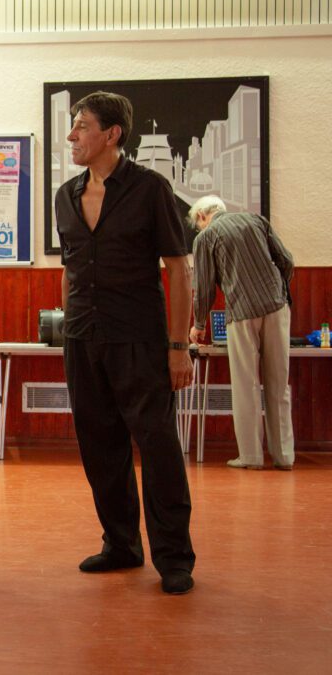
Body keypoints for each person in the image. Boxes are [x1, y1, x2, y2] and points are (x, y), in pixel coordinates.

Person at [55, 91, 197, 595]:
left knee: (158, 448)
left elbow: (179, 271)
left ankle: (175, 557)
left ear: (112, 134)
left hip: (139, 339)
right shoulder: (65, 196)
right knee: (100, 447)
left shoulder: (150, 189)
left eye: (82, 126)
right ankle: (121, 544)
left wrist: (178, 347)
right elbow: (72, 270)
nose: (72, 135)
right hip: (83, 339)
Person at [187, 195, 295, 470]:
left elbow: (204, 287)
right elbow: (286, 260)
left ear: (201, 216)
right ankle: (284, 456)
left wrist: (199, 325)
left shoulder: (206, 237)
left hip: (242, 313)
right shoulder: (256, 220)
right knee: (278, 384)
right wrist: (279, 293)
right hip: (276, 307)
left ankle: (251, 457)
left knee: (246, 386)